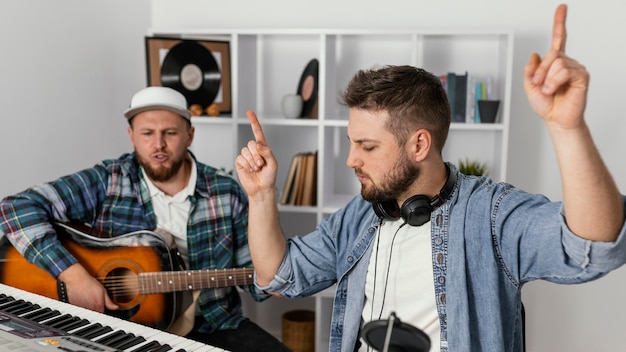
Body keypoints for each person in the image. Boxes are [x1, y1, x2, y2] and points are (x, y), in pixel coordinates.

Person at [235, 4, 626, 352]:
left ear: (419, 145)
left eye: (368, 146)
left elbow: (594, 246)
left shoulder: (491, 214)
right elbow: (277, 277)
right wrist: (261, 195)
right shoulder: (358, 216)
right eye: (351, 143)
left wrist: (568, 127)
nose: (351, 159)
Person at [0, 86, 290, 352]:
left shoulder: (226, 192)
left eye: (170, 133)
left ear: (190, 135)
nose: (158, 145)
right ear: (131, 136)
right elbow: (15, 208)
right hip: (123, 326)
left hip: (214, 324)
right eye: (147, 133)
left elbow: (260, 280)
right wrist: (73, 275)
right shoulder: (109, 180)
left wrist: (280, 277)